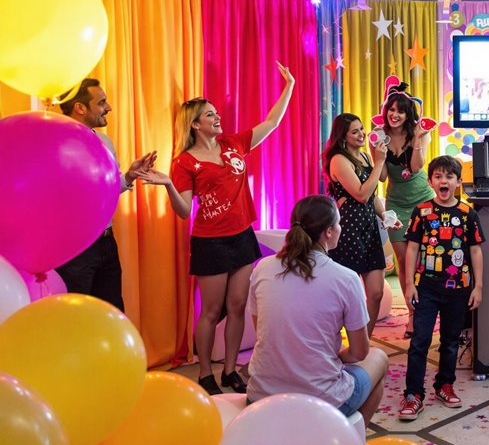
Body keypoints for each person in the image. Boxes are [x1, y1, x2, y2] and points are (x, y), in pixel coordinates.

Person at [141, 61, 295, 395]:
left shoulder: (232, 144)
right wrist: (168, 184)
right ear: (195, 124)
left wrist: (290, 86)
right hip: (210, 241)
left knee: (237, 305)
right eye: (209, 115)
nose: (217, 117)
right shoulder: (184, 162)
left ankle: (229, 370)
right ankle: (206, 373)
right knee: (210, 311)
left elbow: (272, 122)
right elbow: (184, 212)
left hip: (241, 236)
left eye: (215, 113)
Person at [246, 195, 389, 427]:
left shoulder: (262, 267)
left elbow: (263, 330)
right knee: (379, 358)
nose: (341, 228)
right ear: (329, 232)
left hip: (260, 394)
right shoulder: (346, 278)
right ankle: (347, 437)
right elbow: (360, 351)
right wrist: (332, 357)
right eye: (339, 223)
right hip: (320, 399)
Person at [55, 79, 157, 311]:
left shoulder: (104, 141)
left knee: (111, 312)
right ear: (80, 108)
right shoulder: (56, 142)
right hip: (74, 247)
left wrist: (129, 176)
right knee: (76, 316)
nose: (109, 107)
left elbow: (107, 187)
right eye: (101, 102)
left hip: (106, 241)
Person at [399, 156, 484, 421]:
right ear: (430, 181)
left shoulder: (468, 214)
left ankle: (444, 385)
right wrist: (409, 284)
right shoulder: (421, 212)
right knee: (420, 341)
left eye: (449, 176)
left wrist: (477, 286)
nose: (443, 180)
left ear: (459, 182)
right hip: (426, 288)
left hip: (459, 288)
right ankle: (413, 394)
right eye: (438, 176)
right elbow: (412, 248)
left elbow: (476, 251)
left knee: (450, 341)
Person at [324, 113, 403, 337]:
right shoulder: (339, 160)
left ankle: (363, 344)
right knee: (345, 294)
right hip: (348, 230)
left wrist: (386, 216)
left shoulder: (366, 158)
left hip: (368, 228)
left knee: (376, 293)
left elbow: (372, 197)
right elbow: (360, 194)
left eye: (361, 129)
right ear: (342, 136)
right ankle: (333, 339)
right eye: (355, 131)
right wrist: (379, 162)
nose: (362, 134)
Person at [379, 82, 436, 339]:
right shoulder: (379, 136)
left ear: (407, 114)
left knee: (428, 259)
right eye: (391, 109)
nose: (395, 114)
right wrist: (378, 154)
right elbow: (381, 178)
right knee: (404, 263)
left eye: (400, 111)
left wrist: (415, 139)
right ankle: (412, 316)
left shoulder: (421, 133)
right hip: (396, 206)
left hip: (423, 200)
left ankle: (430, 309)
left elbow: (415, 168)